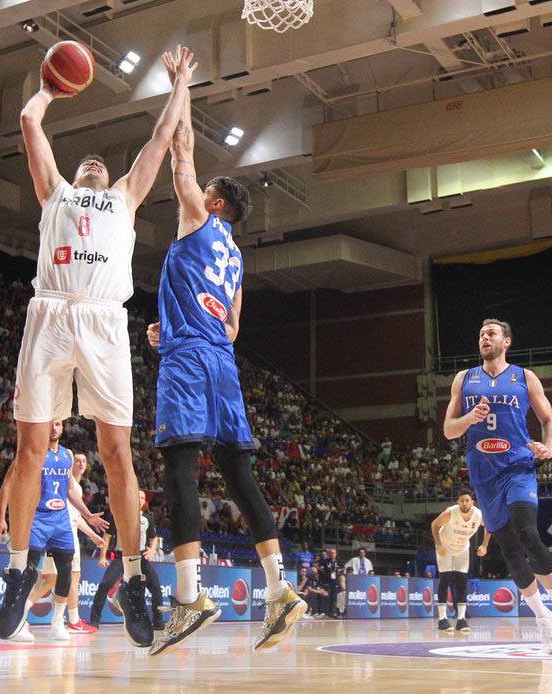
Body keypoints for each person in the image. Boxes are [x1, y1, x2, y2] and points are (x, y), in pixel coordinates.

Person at [0, 44, 193, 649]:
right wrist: (50, 89)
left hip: (106, 321)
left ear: (108, 179)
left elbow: (162, 138)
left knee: (116, 451)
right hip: (51, 312)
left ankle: (134, 579)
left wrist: (180, 85)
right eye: (85, 160)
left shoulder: (126, 198)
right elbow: (30, 123)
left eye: (98, 162)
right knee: (31, 447)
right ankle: (17, 569)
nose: (91, 162)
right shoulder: (53, 193)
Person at [143, 52, 305, 656]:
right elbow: (232, 329)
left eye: (205, 191)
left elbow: (181, 149)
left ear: (213, 205)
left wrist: (182, 85)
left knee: (178, 467)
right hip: (222, 363)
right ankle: (280, 589)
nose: (195, 188)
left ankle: (190, 596)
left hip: (188, 361)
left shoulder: (195, 218)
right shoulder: (236, 258)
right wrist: (177, 323)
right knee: (240, 475)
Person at [443, 319, 552, 653]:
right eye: (481, 334)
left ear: (506, 341)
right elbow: (449, 429)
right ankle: (542, 618)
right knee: (508, 549)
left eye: (491, 334)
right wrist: (469, 419)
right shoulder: (464, 379)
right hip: (483, 475)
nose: (484, 338)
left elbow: (549, 421)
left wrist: (549, 447)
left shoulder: (524, 377)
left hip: (518, 467)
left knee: (528, 534)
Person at [0, 420, 104, 641]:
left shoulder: (67, 455)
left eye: (59, 425)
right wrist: (0, 517)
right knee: (30, 571)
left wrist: (88, 515)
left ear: (63, 429)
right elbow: (7, 483)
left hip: (61, 519)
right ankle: (19, 622)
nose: (54, 429)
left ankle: (57, 622)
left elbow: (70, 491)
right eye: (51, 425)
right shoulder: (31, 450)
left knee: (66, 572)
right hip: (37, 517)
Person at [16, 452, 104, 634]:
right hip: (62, 535)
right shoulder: (64, 481)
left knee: (50, 580)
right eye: (77, 460)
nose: (80, 463)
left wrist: (91, 534)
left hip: (63, 534)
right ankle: (73, 620)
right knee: (71, 576)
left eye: (83, 461)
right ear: (69, 463)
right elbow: (68, 516)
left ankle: (22, 612)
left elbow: (75, 517)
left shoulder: (76, 487)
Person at [88, 491, 165, 629]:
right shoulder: (119, 515)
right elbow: (107, 537)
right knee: (105, 585)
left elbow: (154, 538)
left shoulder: (147, 518)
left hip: (140, 558)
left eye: (143, 498)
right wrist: (102, 557)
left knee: (156, 589)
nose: (140, 499)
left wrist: (152, 550)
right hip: (121, 557)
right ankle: (94, 621)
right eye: (138, 497)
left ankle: (158, 623)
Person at [430, 488, 490, 632]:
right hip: (445, 546)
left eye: (467, 500)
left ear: (472, 502)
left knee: (462, 581)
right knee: (445, 579)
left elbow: (490, 526)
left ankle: (461, 620)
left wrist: (484, 545)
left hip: (462, 548)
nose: (464, 503)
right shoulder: (451, 512)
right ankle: (442, 619)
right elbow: (434, 524)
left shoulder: (478, 514)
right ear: (458, 502)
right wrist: (438, 544)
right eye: (462, 500)